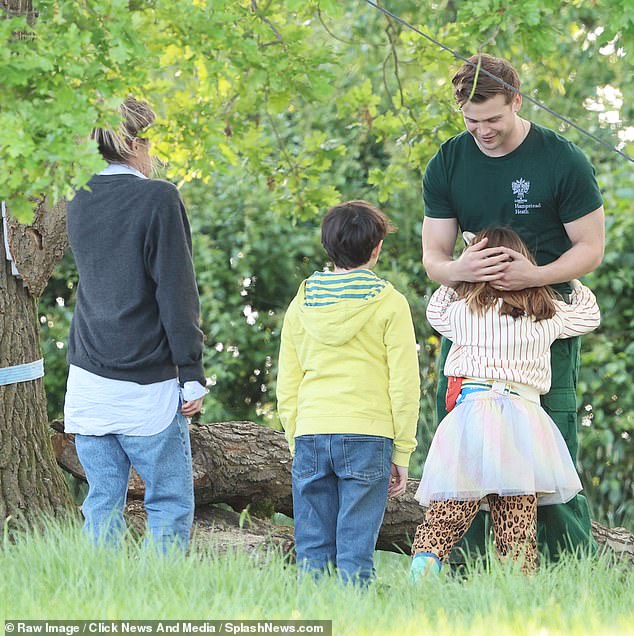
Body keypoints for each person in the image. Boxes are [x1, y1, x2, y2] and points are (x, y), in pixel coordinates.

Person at [421, 53, 605, 560]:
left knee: (552, 445)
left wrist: (537, 276)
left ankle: (563, 565)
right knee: (465, 452)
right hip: (471, 317)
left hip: (543, 317)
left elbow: (591, 247)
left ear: (517, 101)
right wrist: (463, 272)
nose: (482, 131)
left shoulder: (561, 159)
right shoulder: (449, 161)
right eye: (471, 121)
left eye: (493, 119)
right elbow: (435, 259)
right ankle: (466, 571)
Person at [410, 227, 600, 579]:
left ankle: (420, 578)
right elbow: (589, 314)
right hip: (523, 422)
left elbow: (435, 309)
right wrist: (562, 277)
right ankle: (517, 592)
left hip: (473, 415)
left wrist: (458, 270)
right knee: (517, 521)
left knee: (447, 512)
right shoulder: (545, 313)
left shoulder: (462, 312)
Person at [64, 97, 206, 552]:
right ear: (132, 142)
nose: (151, 151)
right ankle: (160, 608)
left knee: (103, 499)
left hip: (87, 377)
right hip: (146, 383)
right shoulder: (157, 196)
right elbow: (176, 291)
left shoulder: (77, 197)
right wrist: (192, 373)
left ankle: (97, 599)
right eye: (148, 141)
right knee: (169, 501)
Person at [277, 200, 420, 585]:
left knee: (312, 552)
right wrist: (402, 451)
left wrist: (296, 436)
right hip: (368, 434)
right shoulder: (390, 303)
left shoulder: (301, 303)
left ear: (328, 246)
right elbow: (404, 384)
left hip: (310, 430)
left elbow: (287, 382)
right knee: (356, 552)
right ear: (377, 249)